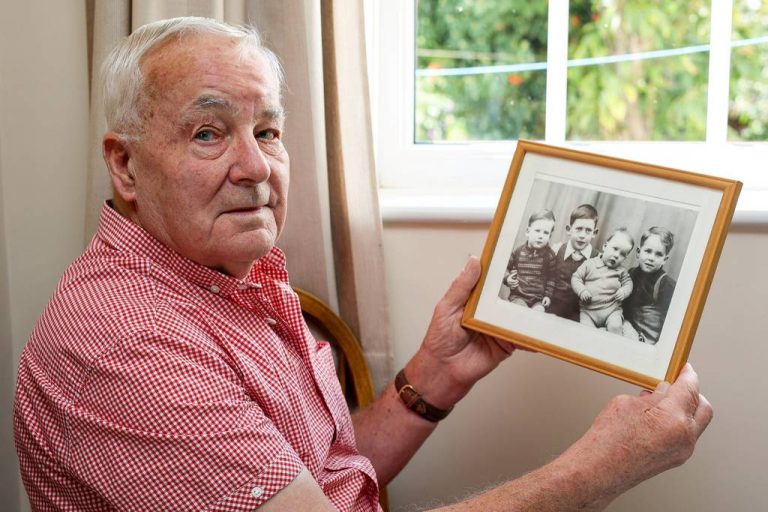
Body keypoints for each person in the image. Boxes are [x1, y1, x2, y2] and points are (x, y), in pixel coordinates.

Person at [13, 17, 712, 511]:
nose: (256, 167)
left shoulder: (227, 277)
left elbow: (320, 482)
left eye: (267, 131)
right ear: (124, 165)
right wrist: (603, 468)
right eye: (208, 133)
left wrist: (435, 377)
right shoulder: (128, 345)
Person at [571, 227, 634, 334]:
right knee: (586, 332)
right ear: (605, 246)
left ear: (625, 258)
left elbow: (629, 283)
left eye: (622, 254)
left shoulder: (622, 271)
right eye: (615, 249)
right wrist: (582, 291)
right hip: (588, 312)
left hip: (611, 311)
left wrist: (624, 291)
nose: (616, 255)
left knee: (615, 327)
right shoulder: (589, 264)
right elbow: (576, 278)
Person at [623, 227, 677, 344]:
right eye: (647, 251)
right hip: (628, 332)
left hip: (650, 341)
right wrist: (626, 325)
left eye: (658, 254)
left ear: (665, 259)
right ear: (638, 252)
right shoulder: (630, 274)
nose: (651, 258)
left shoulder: (666, 285)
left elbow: (673, 325)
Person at [549, 204, 600, 321]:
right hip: (553, 306)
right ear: (569, 230)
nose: (582, 235)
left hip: (579, 312)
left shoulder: (597, 258)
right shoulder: (557, 250)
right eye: (578, 229)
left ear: (594, 233)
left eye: (588, 231)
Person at [501, 209, 557, 312]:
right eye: (537, 231)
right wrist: (507, 278)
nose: (541, 236)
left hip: (538, 300)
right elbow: (505, 268)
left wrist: (548, 296)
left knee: (539, 312)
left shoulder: (550, 256)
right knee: (520, 310)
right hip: (518, 296)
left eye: (545, 233)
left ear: (550, 237)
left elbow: (552, 278)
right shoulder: (518, 251)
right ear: (528, 231)